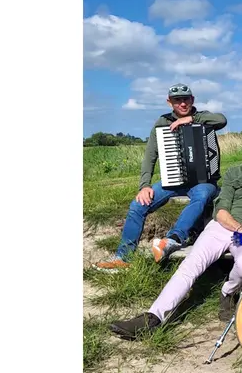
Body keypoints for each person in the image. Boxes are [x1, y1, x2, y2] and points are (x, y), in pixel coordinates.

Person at [108, 124, 242, 338]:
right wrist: (241, 227)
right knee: (190, 266)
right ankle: (152, 317)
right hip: (223, 227)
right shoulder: (234, 173)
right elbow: (221, 212)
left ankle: (228, 292)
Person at [94, 84, 227, 270]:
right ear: (169, 102)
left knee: (202, 197)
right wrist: (144, 185)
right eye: (177, 100)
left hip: (203, 181)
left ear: (192, 99)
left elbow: (222, 120)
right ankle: (123, 257)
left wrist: (190, 119)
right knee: (137, 205)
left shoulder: (204, 118)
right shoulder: (162, 122)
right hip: (174, 180)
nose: (182, 103)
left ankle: (173, 239)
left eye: (186, 99)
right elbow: (150, 155)